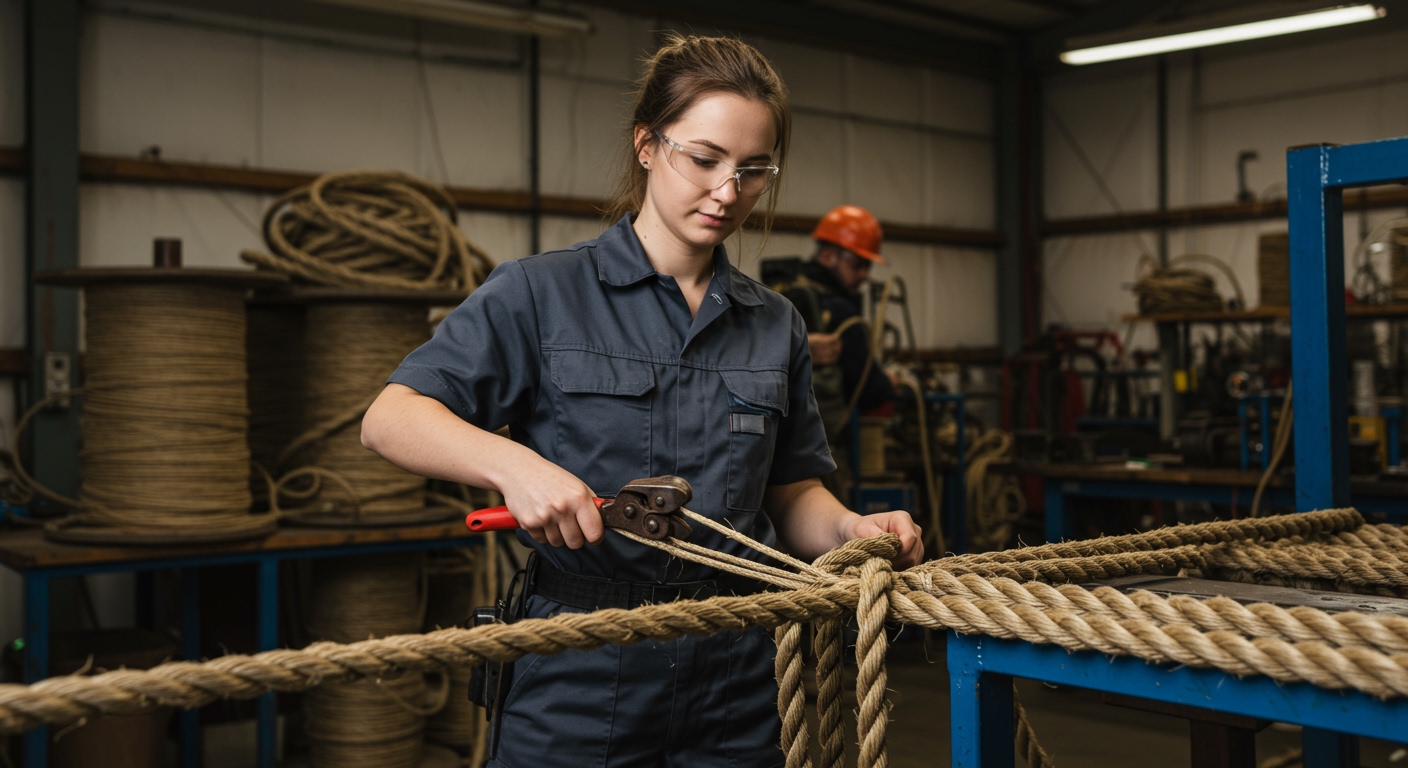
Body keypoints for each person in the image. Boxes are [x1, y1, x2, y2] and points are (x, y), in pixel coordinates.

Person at [361, 34, 922, 767]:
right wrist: (513, 466)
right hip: (579, 664)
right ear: (648, 146)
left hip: (737, 669)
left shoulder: (773, 322)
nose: (728, 194)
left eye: (754, 171)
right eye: (705, 159)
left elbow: (790, 493)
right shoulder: (541, 293)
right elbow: (391, 418)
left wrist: (849, 527)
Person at [774, 205, 896, 494]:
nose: (865, 275)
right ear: (828, 256)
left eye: (868, 267)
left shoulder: (779, 296)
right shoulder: (840, 311)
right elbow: (867, 390)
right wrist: (889, 383)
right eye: (858, 265)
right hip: (820, 453)